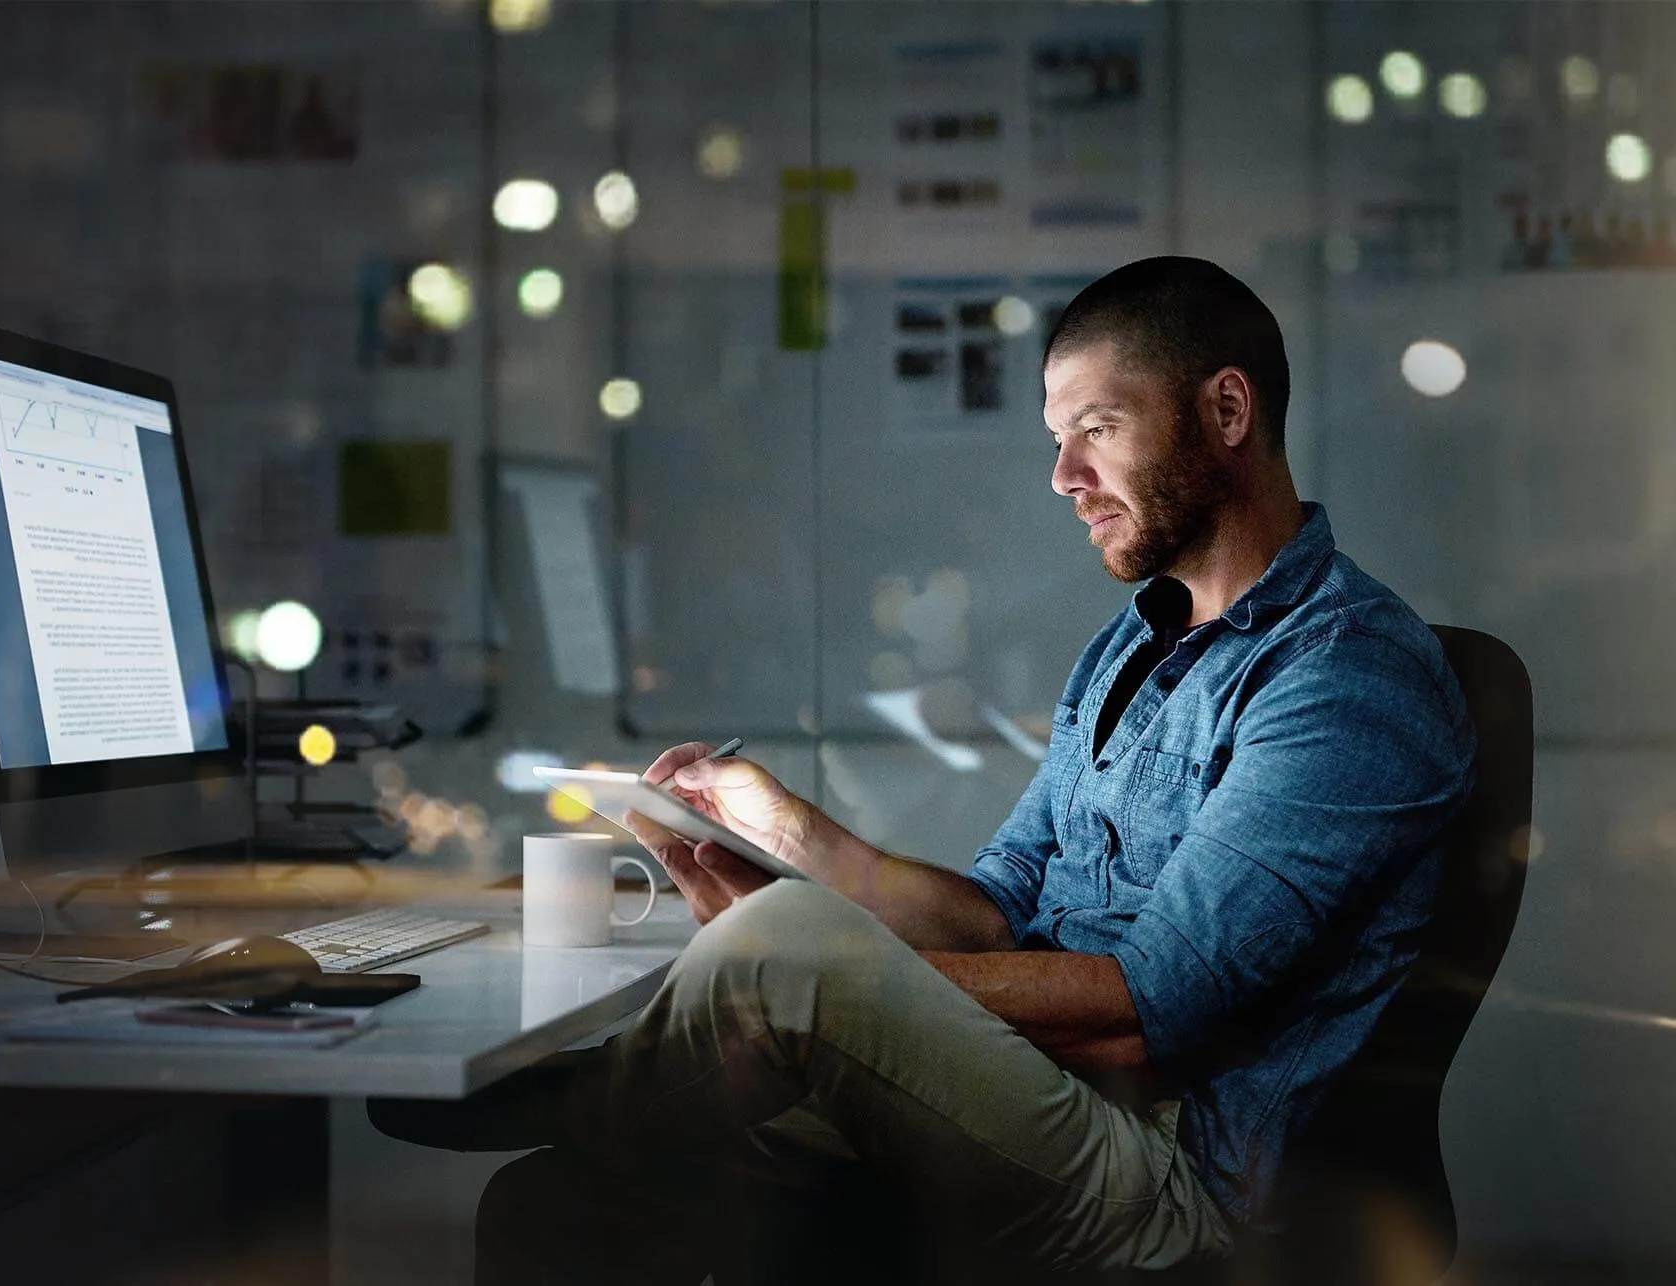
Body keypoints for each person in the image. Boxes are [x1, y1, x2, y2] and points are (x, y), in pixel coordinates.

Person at [370, 257, 1476, 1284]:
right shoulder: (1129, 648)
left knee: (777, 957)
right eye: (1055, 437)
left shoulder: (1345, 675)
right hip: (1037, 1095)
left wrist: (808, 982)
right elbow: (989, 921)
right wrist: (788, 844)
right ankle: (613, 1094)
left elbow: (1144, 1014)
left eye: (1095, 427)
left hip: (1168, 1169)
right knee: (545, 1203)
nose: (1062, 476)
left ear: (1225, 412)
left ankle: (588, 1092)